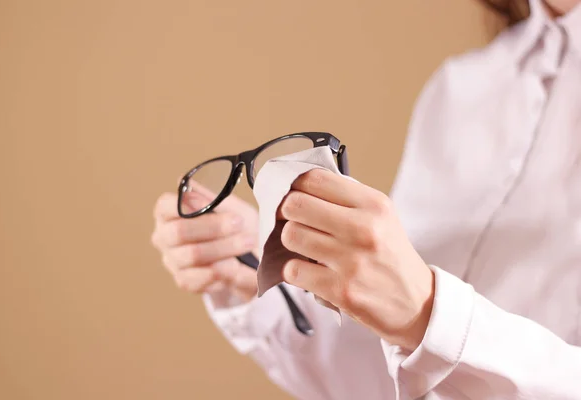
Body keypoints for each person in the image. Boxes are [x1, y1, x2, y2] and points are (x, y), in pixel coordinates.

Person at [151, 0, 581, 398]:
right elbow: (391, 383)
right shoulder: (461, 87)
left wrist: (431, 316)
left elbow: (432, 331)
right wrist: (277, 277)